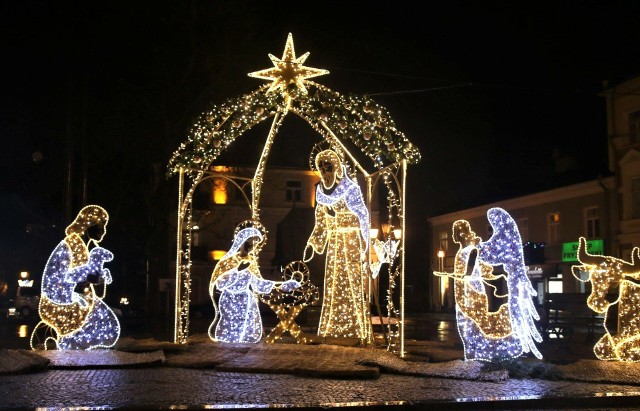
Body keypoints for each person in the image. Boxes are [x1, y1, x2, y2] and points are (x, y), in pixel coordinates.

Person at [303, 149, 371, 340]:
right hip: (334, 244)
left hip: (350, 241)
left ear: (337, 167)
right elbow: (320, 222)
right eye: (321, 168)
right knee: (333, 285)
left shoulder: (351, 189)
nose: (325, 172)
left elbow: (362, 215)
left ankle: (356, 328)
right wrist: (313, 244)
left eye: (328, 167)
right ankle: (332, 327)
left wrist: (343, 219)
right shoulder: (321, 193)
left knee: (351, 282)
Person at [35, 205, 120, 350]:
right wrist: (92, 278)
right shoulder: (74, 245)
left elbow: (88, 283)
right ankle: (55, 336)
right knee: (102, 328)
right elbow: (69, 278)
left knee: (109, 327)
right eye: (100, 227)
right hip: (59, 302)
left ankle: (65, 340)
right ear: (88, 225)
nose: (103, 231)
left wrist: (97, 279)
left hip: (77, 299)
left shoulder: (85, 248)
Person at [435, 220, 518, 361]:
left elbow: (468, 274)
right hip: (463, 296)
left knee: (472, 329)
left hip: (473, 296)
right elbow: (484, 272)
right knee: (466, 330)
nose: (453, 235)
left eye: (455, 232)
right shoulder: (462, 252)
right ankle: (472, 358)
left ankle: (476, 359)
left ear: (461, 233)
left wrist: (446, 274)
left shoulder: (472, 251)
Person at [209, 220, 300, 343]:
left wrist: (283, 285)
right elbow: (220, 284)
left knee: (246, 332)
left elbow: (258, 283)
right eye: (251, 242)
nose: (253, 246)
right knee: (229, 331)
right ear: (242, 241)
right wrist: (237, 271)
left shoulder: (251, 261)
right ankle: (228, 352)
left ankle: (241, 353)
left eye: (256, 243)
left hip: (246, 299)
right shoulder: (228, 261)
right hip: (230, 300)